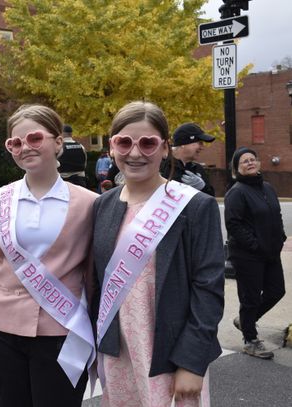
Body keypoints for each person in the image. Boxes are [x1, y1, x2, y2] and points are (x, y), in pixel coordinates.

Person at [92, 101, 224, 407]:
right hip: (119, 353)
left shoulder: (194, 206)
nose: (135, 153)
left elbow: (208, 288)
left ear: (165, 148)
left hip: (171, 354)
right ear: (112, 147)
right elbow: (97, 283)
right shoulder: (103, 206)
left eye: (148, 143)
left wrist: (192, 362)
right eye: (124, 142)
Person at [0, 104, 97, 407]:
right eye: (15, 142)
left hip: (63, 331)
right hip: (5, 332)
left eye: (35, 138)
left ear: (58, 143)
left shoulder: (90, 203)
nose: (25, 147)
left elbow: (94, 277)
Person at [224, 147, 286, 360]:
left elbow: (276, 215)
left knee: (276, 291)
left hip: (270, 251)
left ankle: (245, 321)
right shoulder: (237, 192)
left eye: (252, 159)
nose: (249, 163)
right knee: (249, 298)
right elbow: (233, 224)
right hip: (247, 254)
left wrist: (281, 237)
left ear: (258, 163)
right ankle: (250, 340)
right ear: (237, 168)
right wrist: (254, 245)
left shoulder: (267, 188)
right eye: (244, 161)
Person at [160, 122, 215, 196]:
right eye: (199, 143)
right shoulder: (162, 167)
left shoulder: (198, 169)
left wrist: (203, 187)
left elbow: (210, 200)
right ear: (184, 143)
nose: (202, 147)